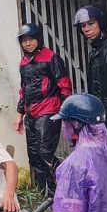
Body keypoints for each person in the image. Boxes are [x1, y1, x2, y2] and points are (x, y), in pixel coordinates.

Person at [14, 23, 72, 194]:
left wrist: (65, 113)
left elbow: (65, 86)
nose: (28, 43)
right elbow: (23, 89)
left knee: (44, 151)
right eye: (24, 40)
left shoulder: (51, 57)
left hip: (49, 109)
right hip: (31, 112)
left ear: (38, 39)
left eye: (31, 39)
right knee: (34, 156)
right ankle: (46, 195)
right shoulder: (24, 62)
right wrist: (19, 113)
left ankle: (66, 184)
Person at [73, 5, 107, 144]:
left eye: (91, 24)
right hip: (101, 115)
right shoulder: (94, 51)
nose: (87, 29)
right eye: (83, 26)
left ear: (101, 23)